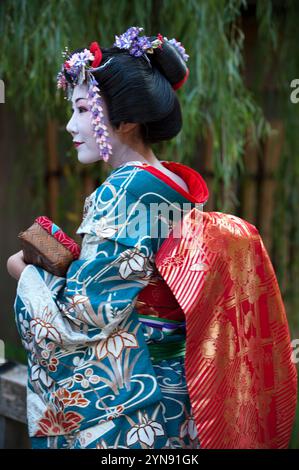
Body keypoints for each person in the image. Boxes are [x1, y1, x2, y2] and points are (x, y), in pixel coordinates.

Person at [7, 27, 297, 449]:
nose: (71, 125)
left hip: (138, 407)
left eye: (84, 109)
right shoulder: (172, 184)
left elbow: (83, 313)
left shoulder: (124, 191)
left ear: (125, 121)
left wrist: (25, 273)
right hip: (179, 396)